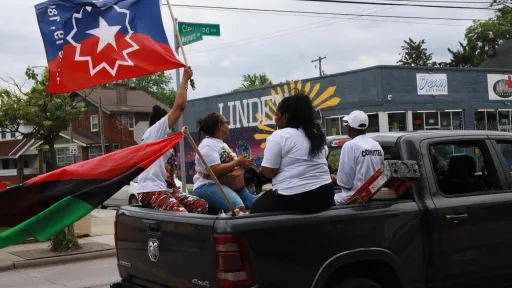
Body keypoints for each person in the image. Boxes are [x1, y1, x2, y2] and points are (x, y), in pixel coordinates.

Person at [137, 67, 208, 214]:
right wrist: (185, 80)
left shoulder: (162, 143)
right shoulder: (154, 133)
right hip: (151, 191)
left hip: (167, 189)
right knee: (181, 214)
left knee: (201, 205)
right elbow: (180, 107)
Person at [251, 92, 334, 214]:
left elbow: (269, 172)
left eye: (276, 115)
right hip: (326, 195)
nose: (275, 119)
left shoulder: (279, 136)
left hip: (295, 196)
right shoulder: (316, 135)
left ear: (285, 116)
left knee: (255, 210)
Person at [193, 112, 258, 212]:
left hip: (229, 184)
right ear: (221, 126)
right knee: (237, 207)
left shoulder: (221, 144)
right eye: (227, 122)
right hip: (207, 185)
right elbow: (215, 170)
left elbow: (231, 164)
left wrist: (243, 163)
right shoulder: (207, 145)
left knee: (257, 202)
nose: (228, 125)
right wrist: (237, 162)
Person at [335, 110, 384, 205]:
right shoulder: (376, 145)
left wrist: (334, 179)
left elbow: (345, 182)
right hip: (376, 195)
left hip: (356, 198)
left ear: (350, 128)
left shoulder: (350, 145)